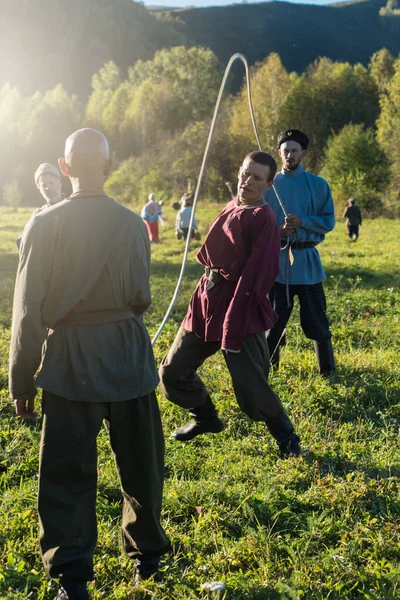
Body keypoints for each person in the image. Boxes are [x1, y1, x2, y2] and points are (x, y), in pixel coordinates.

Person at [9, 128, 170, 600]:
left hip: (68, 361)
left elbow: (26, 314)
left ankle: (73, 579)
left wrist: (21, 381)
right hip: (128, 353)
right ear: (110, 166)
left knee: (66, 473)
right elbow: (141, 293)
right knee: (142, 465)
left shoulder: (42, 225)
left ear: (63, 167)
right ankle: (148, 560)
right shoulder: (132, 224)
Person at [159, 151, 301, 459]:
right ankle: (205, 416)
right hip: (207, 300)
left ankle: (287, 437)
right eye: (245, 173)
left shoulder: (262, 215)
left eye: (257, 178)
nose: (247, 182)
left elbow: (256, 274)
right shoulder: (234, 203)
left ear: (268, 184)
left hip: (240, 307)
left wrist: (234, 326)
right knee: (172, 370)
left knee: (251, 387)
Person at [264, 129, 336, 376]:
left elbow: (329, 221)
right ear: (279, 153)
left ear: (303, 153)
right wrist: (278, 231)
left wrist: (303, 221)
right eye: (285, 150)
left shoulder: (318, 185)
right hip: (277, 266)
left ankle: (327, 371)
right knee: (272, 324)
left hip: (307, 265)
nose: (289, 154)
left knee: (317, 320)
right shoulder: (269, 186)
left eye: (294, 150)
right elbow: (255, 224)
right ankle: (267, 371)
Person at [16, 163, 64, 249]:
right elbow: (23, 241)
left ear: (59, 182)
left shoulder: (74, 206)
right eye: (44, 185)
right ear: (39, 189)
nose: (48, 188)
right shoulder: (38, 215)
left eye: (51, 183)